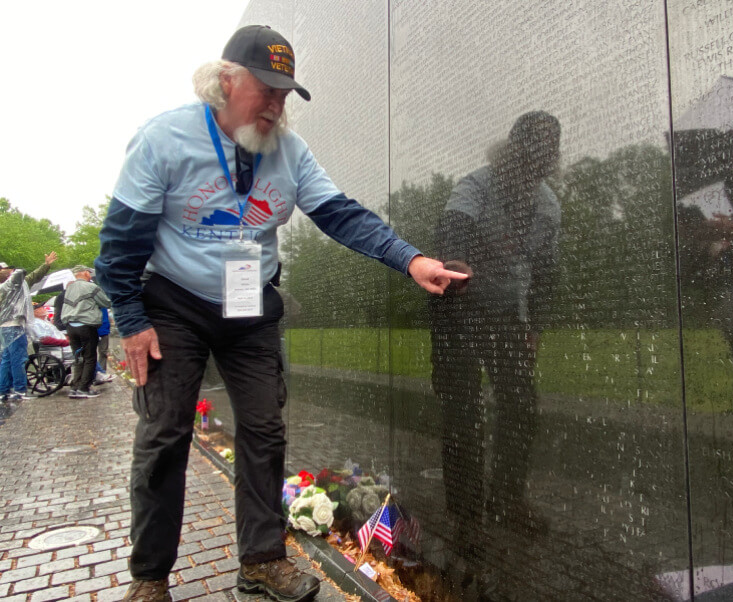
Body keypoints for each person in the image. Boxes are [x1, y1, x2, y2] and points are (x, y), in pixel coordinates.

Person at [94, 25, 465, 602]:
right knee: (165, 432)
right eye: (264, 88)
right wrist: (132, 321)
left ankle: (262, 562)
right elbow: (120, 243)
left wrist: (410, 260)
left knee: (265, 431)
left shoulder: (289, 152)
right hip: (174, 303)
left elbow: (342, 214)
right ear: (224, 82)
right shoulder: (164, 139)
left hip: (250, 308)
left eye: (284, 93)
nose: (275, 104)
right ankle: (150, 578)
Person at [428, 112, 561, 573]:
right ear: (511, 153)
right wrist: (458, 258)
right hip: (459, 305)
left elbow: (546, 272)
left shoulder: (547, 204)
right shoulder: (476, 185)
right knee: (462, 411)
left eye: (543, 162)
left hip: (505, 311)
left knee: (521, 404)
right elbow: (453, 228)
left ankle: (508, 498)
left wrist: (534, 326)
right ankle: (466, 517)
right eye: (527, 158)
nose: (534, 170)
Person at [0, 252, 58, 402]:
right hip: (14, 326)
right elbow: (26, 275)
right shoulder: (10, 287)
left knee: (7, 359)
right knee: (18, 359)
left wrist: (45, 266)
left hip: (5, 327)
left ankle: (4, 390)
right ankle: (20, 390)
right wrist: (45, 265)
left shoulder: (10, 288)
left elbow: (32, 277)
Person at [61, 265, 111, 399]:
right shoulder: (91, 287)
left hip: (71, 327)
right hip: (86, 326)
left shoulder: (69, 288)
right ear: (84, 273)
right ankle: (84, 388)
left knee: (78, 358)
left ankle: (75, 388)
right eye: (88, 272)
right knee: (90, 357)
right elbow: (106, 302)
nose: (90, 274)